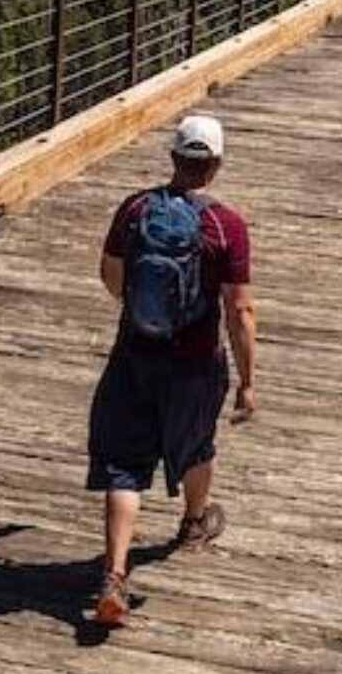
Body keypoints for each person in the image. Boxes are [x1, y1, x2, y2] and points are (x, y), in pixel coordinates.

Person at [87, 113, 257, 628]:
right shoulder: (226, 227)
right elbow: (240, 310)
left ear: (173, 158)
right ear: (217, 166)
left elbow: (111, 275)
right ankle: (193, 522)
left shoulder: (135, 209)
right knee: (196, 444)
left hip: (135, 352)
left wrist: (142, 311)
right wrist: (248, 382)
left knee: (123, 464)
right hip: (195, 361)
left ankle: (114, 576)